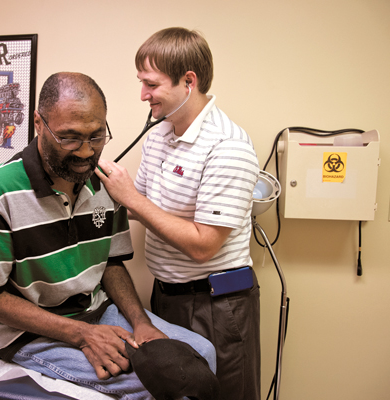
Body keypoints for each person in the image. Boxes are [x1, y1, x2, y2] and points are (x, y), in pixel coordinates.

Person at [0, 71, 216, 399]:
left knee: (201, 353)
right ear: (38, 123)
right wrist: (81, 334)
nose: (85, 152)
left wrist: (141, 322)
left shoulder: (104, 183)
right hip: (27, 332)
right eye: (69, 137)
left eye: (96, 136)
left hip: (97, 310)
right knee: (155, 384)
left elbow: (111, 264)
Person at [96, 28, 261, 400]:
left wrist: (132, 200)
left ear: (189, 81)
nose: (142, 95)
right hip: (165, 297)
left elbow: (204, 246)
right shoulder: (160, 134)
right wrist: (107, 198)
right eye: (141, 83)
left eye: (151, 84)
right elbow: (150, 209)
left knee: (224, 394)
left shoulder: (228, 146)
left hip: (219, 306)